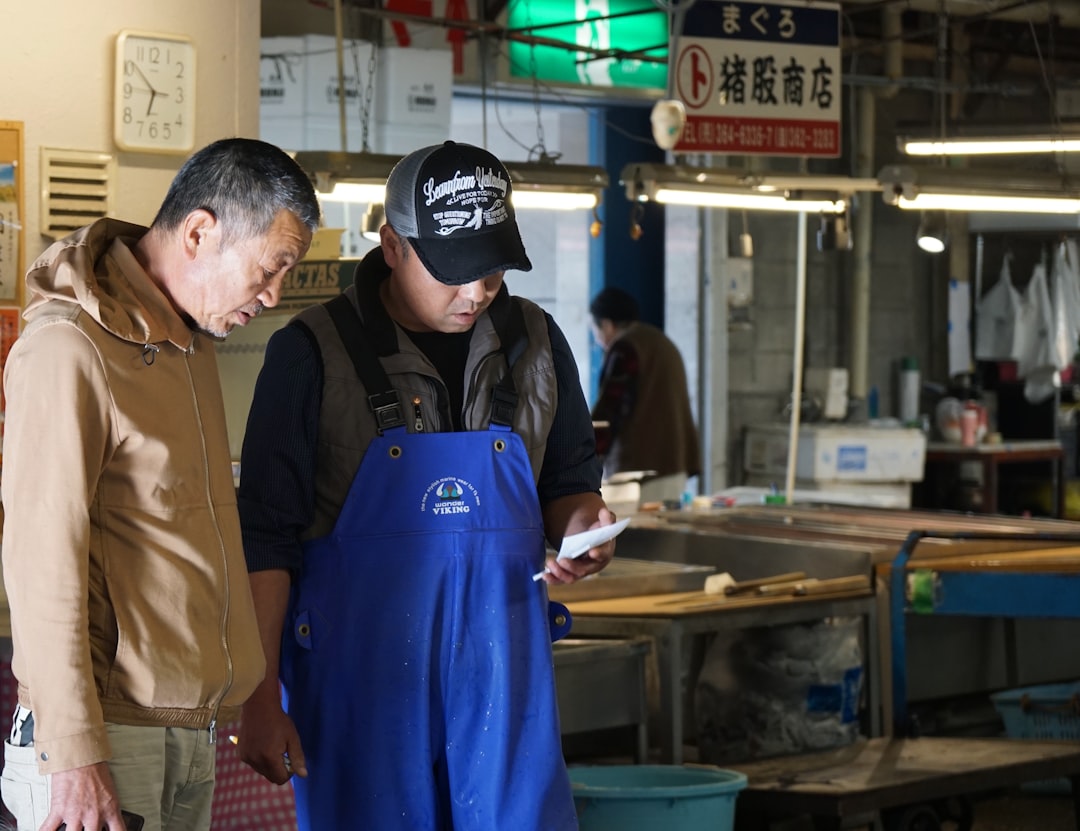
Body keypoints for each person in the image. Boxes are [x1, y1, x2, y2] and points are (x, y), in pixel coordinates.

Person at [236, 140, 617, 831]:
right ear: (393, 246)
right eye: (455, 272)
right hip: (360, 690)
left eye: (493, 270)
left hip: (505, 683)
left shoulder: (538, 343)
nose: (476, 293)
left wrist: (583, 528)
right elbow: (265, 539)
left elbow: (569, 484)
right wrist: (260, 696)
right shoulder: (308, 354)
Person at [0, 138, 321, 831]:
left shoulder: (188, 347)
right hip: (104, 739)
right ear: (199, 232)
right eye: (272, 267)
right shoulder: (68, 347)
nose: (274, 295)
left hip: (184, 732)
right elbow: (39, 563)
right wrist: (72, 752)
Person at [589, 286, 701, 500]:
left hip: (640, 474)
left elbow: (610, 411)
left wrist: (584, 458)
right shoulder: (661, 342)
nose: (596, 339)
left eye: (594, 329)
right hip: (675, 465)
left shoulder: (626, 349)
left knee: (633, 524)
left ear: (607, 324)